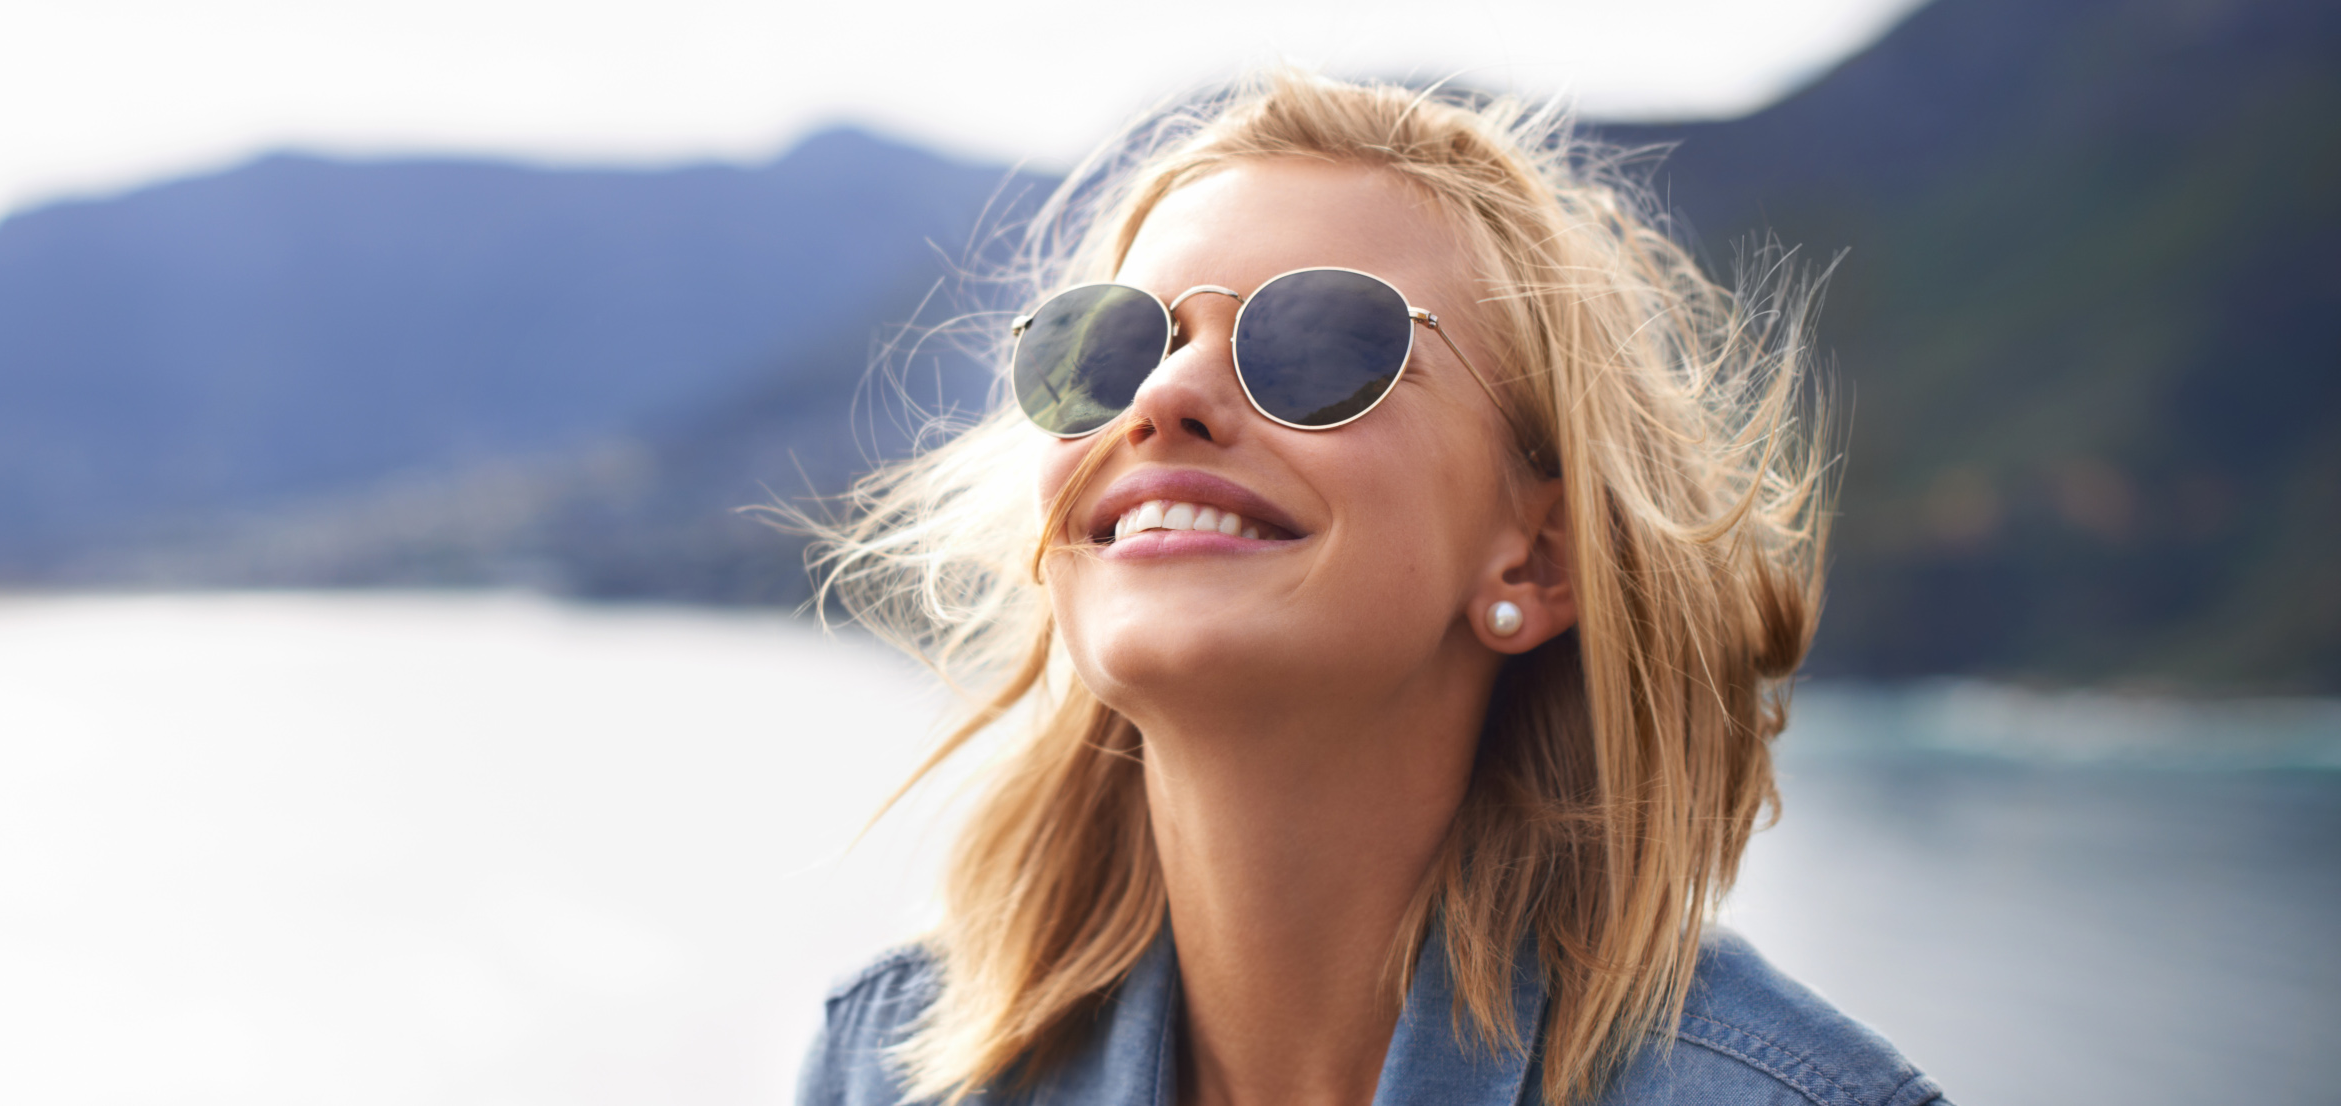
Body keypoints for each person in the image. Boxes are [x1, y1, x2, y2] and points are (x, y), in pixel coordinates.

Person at [794, 70, 1949, 1106]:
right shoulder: (891, 1068)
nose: (1166, 395)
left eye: (1316, 342)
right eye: (1107, 349)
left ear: (1537, 557)